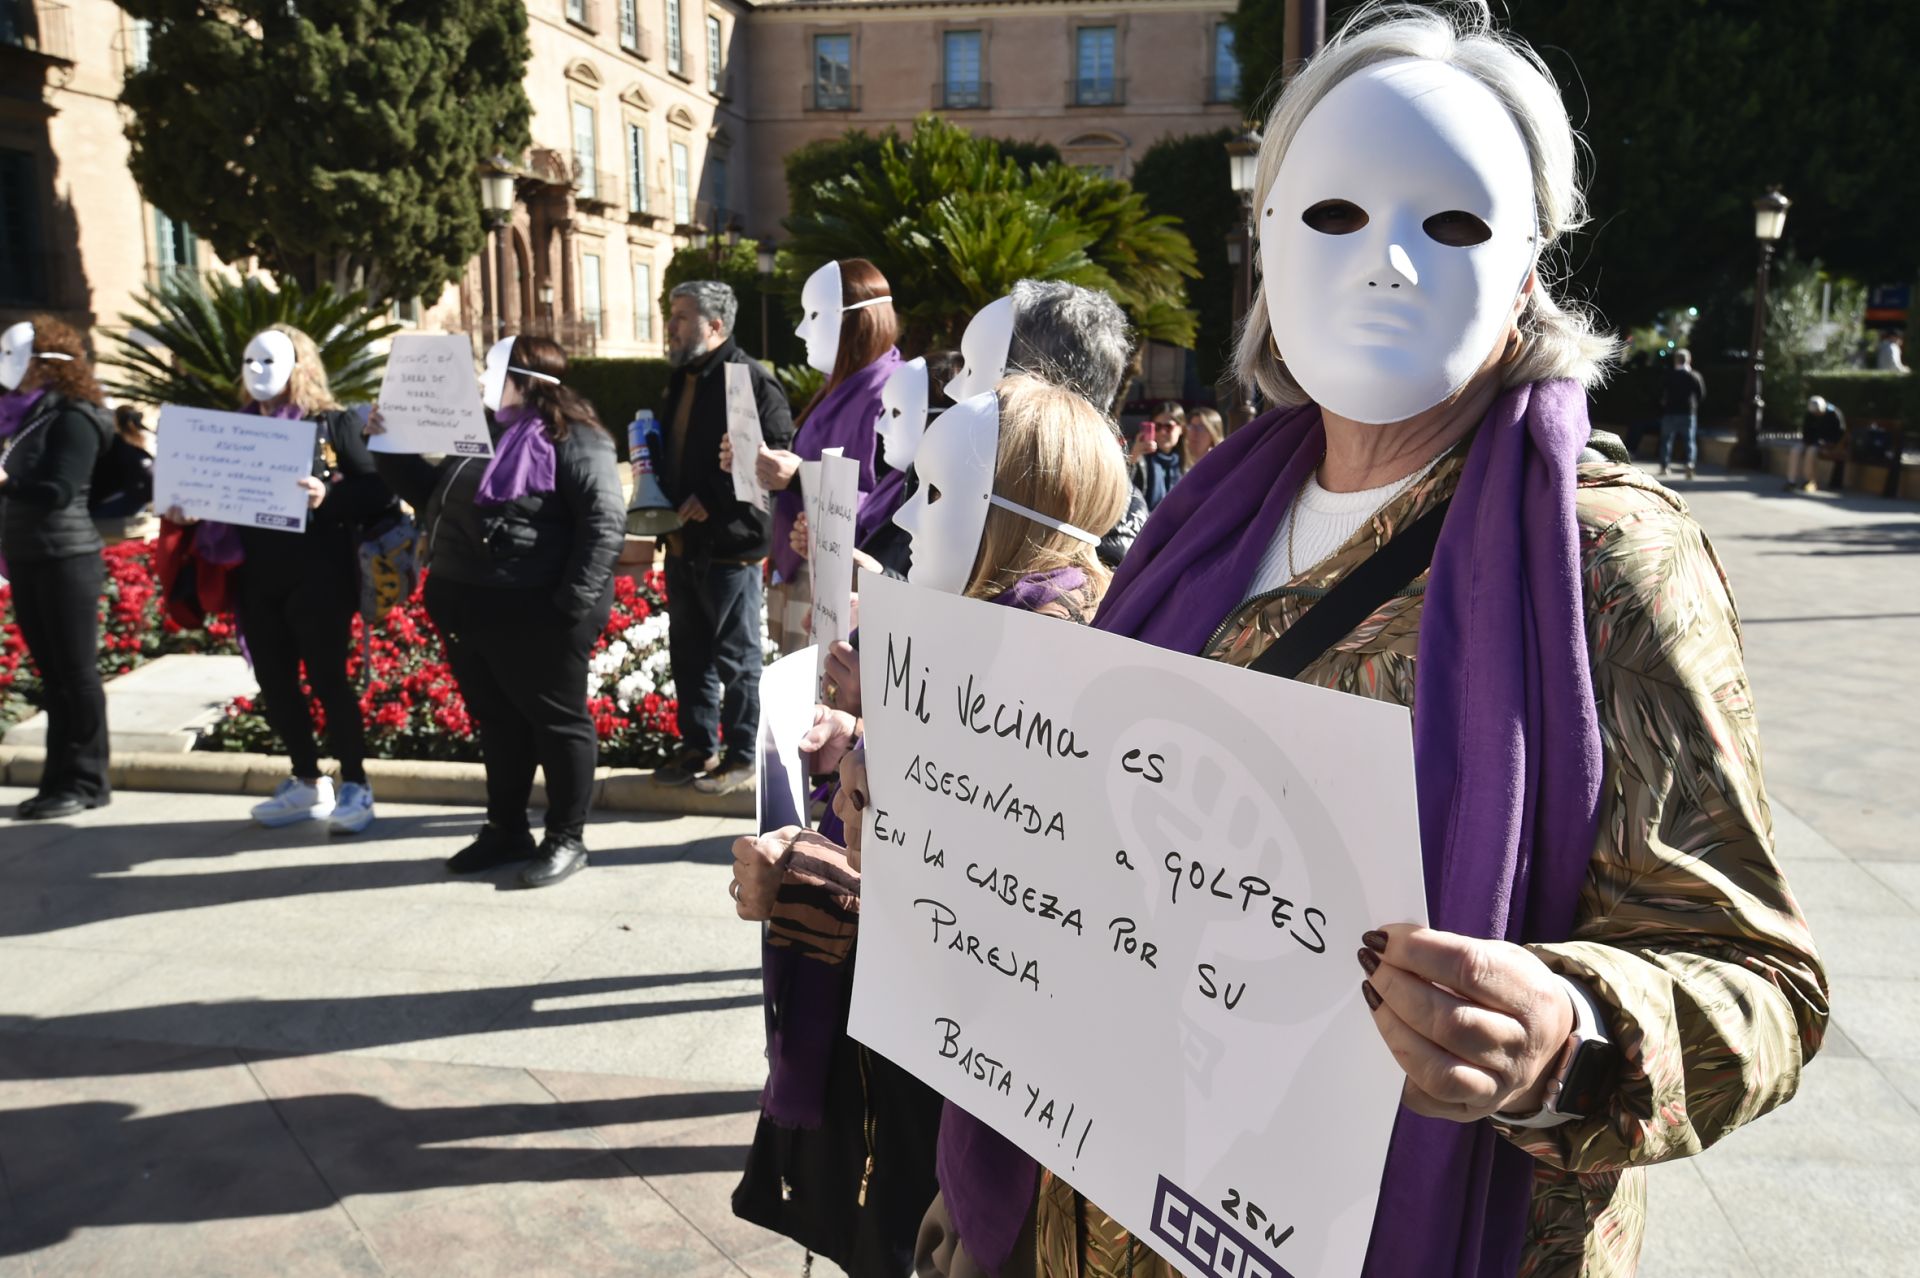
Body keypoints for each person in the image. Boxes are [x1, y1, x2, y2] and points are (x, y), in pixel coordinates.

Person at [937, 9, 1829, 1277]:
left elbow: (1762, 981)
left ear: (1526, 272)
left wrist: (1565, 1036)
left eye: (1451, 224)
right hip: (1114, 1210)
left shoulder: (1607, 558)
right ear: (1267, 244)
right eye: (1336, 216)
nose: (1388, 265)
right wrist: (933, 827)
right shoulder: (1199, 519)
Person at [728, 374, 1131, 1278]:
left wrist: (801, 871)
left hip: (981, 1108)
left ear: (1023, 515)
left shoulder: (1044, 668)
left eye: (937, 494)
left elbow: (991, 923)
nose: (906, 522)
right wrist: (872, 735)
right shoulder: (1015, 634)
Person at [370, 336, 624, 886]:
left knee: (558, 725)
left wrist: (568, 607)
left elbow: (603, 525)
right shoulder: (478, 433)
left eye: (492, 369)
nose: (481, 379)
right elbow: (431, 494)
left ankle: (566, 837)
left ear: (525, 377)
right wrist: (388, 442)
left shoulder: (575, 439)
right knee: (499, 723)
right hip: (472, 605)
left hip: (540, 611)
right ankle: (506, 828)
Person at [182, 326, 390, 835]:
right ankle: (305, 780)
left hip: (320, 577)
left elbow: (381, 491)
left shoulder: (335, 426)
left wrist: (329, 498)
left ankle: (356, 785)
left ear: (300, 365)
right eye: (247, 362)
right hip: (257, 576)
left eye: (267, 362)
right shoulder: (231, 430)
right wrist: (184, 503)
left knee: (327, 681)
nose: (254, 373)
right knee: (274, 682)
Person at [652, 280, 795, 795]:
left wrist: (712, 496)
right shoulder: (682, 378)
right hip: (683, 544)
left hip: (731, 547)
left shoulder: (751, 381)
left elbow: (776, 454)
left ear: (715, 326)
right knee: (687, 653)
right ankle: (696, 747)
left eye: (682, 317)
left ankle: (740, 755)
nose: (671, 326)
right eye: (671, 315)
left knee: (736, 658)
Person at [0, 318, 114, 820]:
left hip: (66, 559)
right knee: (53, 676)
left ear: (45, 361)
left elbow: (60, 491)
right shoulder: (20, 417)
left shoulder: (74, 417)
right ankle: (57, 781)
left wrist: (4, 482)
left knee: (76, 674)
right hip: (28, 555)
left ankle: (87, 780)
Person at [759, 258, 901, 661]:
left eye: (814, 315)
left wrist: (799, 477)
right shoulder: (840, 388)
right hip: (810, 565)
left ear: (854, 322)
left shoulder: (890, 394)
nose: (801, 330)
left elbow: (893, 500)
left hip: (849, 580)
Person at [89, 404, 155, 544]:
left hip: (99, 505)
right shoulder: (134, 443)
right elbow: (149, 479)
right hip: (109, 509)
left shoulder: (109, 442)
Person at [1658, 348, 1706, 478]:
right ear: (1689, 360)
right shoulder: (1694, 376)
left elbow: (1661, 392)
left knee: (1666, 440)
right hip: (1688, 412)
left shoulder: (1668, 375)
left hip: (1670, 412)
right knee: (1689, 440)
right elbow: (1701, 394)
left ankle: (1664, 466)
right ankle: (1689, 463)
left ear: (1675, 360)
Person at [1128, 401, 1187, 509]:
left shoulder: (1187, 462)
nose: (1162, 432)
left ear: (1181, 429)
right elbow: (1124, 489)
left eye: (1168, 427)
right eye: (1157, 426)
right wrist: (1134, 456)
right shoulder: (1141, 459)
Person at [1785, 393, 1846, 492]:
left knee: (1811, 451)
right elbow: (1806, 430)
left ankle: (1809, 481)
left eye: (1818, 412)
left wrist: (1829, 443)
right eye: (1814, 413)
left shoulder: (1833, 414)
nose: (1816, 414)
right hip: (1811, 441)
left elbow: (1839, 432)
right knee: (1795, 450)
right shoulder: (1810, 414)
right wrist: (1807, 440)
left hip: (1826, 444)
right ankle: (1791, 481)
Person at [1183, 405, 1224, 470]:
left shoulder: (1220, 464)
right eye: (1191, 427)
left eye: (1201, 428)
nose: (1194, 432)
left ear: (1213, 434)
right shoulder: (1179, 459)